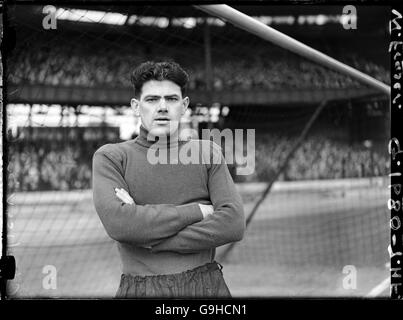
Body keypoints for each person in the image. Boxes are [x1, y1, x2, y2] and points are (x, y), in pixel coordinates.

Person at [92, 61, 245, 298]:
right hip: (142, 289)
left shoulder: (207, 153)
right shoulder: (112, 157)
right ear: (136, 106)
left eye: (171, 99)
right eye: (152, 99)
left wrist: (152, 238)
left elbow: (233, 223)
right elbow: (121, 224)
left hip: (206, 288)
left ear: (184, 106)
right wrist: (198, 211)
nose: (162, 107)